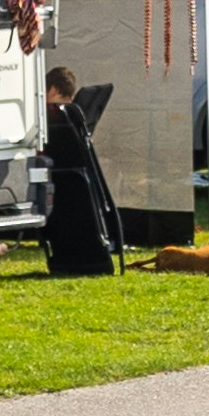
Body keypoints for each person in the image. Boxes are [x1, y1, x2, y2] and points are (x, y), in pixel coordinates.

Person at [38, 66, 121, 277]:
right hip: (81, 185)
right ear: (72, 95)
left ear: (52, 89)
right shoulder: (76, 117)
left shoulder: (50, 116)